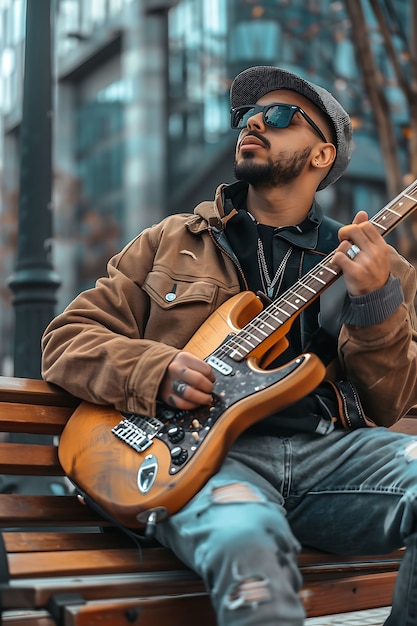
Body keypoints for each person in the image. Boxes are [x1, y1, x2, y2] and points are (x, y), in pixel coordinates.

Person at [42, 65, 417, 625]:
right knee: (248, 540)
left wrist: (373, 300)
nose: (256, 123)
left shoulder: (376, 266)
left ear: (322, 156)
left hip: (327, 459)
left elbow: (389, 405)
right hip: (201, 460)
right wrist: (158, 369)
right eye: (248, 116)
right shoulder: (172, 241)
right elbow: (67, 339)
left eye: (283, 116)